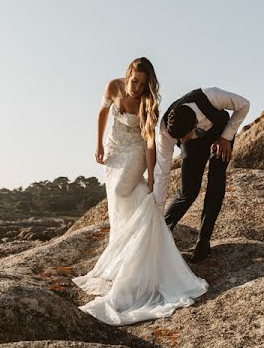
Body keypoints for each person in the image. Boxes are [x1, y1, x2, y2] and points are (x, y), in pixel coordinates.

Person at [72, 57, 207, 326]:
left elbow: (148, 142)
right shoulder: (113, 86)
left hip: (134, 152)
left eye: (142, 84)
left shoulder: (147, 103)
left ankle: (139, 239)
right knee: (115, 202)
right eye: (134, 81)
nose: (136, 88)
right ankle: (124, 250)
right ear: (128, 74)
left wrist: (150, 176)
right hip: (113, 150)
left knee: (124, 190)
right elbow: (101, 112)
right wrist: (98, 145)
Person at [153, 87, 250, 262]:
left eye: (183, 137)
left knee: (216, 182)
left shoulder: (212, 96)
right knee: (188, 191)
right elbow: (162, 172)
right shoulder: (165, 132)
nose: (180, 142)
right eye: (179, 140)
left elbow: (244, 105)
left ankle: (203, 241)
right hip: (194, 145)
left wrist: (226, 137)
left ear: (194, 124)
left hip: (221, 133)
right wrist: (157, 210)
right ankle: (161, 233)